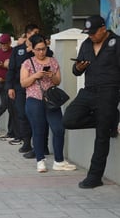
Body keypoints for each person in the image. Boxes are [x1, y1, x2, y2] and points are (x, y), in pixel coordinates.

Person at [63, 15, 120, 189]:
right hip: (88, 91)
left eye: (93, 33)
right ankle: (109, 119)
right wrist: (78, 68)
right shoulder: (86, 44)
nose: (91, 36)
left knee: (101, 136)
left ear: (104, 29)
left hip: (108, 91)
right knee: (69, 119)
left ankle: (95, 176)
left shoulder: (116, 43)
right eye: (88, 33)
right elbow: (76, 70)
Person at [20, 34, 76, 173]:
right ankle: (40, 160)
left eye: (43, 49)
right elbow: (23, 83)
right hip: (34, 100)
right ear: (32, 49)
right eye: (38, 49)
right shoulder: (28, 63)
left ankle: (59, 160)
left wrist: (52, 76)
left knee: (59, 129)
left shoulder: (53, 61)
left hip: (51, 101)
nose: (41, 52)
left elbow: (58, 81)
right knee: (39, 130)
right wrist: (35, 76)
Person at [6, 24, 52, 159]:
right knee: (23, 114)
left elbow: (49, 62)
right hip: (21, 86)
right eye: (33, 33)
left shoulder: (44, 50)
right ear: (27, 34)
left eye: (38, 33)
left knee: (41, 118)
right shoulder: (18, 50)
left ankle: (43, 146)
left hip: (39, 89)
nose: (36, 36)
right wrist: (10, 86)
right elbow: (12, 69)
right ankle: (27, 142)